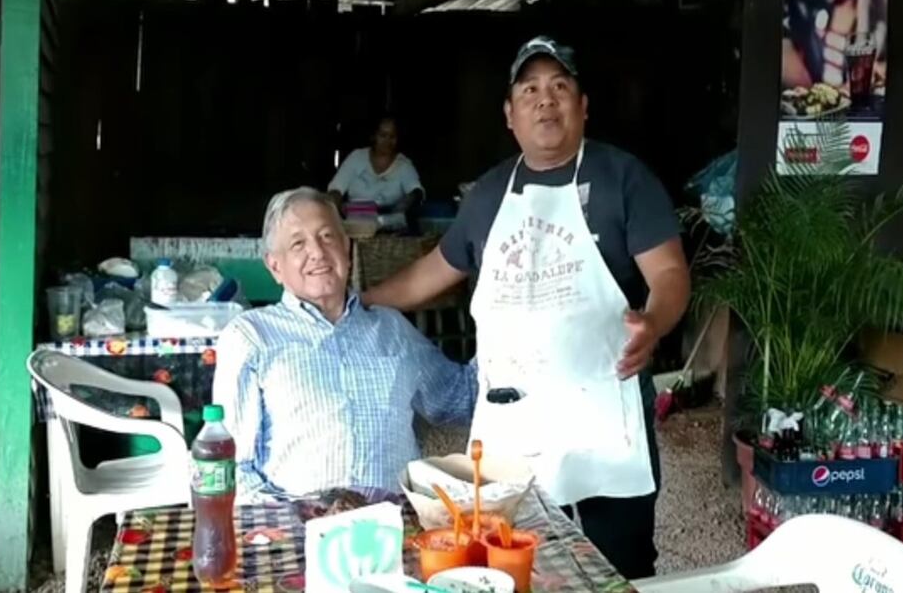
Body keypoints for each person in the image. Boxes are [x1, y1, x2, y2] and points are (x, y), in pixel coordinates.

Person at [364, 36, 691, 578]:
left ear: (583, 107)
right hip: (514, 423)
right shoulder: (489, 195)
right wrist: (365, 300)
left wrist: (654, 320)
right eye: (531, 89)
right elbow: (433, 273)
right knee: (514, 565)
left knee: (622, 565)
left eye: (561, 87)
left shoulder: (623, 178)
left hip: (603, 417)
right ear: (510, 115)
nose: (547, 99)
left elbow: (671, 273)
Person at [212, 187, 476, 503]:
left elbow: (460, 399)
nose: (318, 253)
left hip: (393, 526)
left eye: (327, 237)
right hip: (300, 531)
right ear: (275, 267)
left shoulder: (391, 329)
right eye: (298, 243)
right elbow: (232, 468)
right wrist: (295, 522)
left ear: (347, 249)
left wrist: (512, 328)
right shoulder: (251, 337)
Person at [328, 115, 424, 213]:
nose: (387, 141)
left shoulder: (404, 165)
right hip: (355, 220)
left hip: (390, 223)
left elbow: (416, 191)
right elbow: (336, 188)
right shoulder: (356, 158)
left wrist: (405, 204)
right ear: (373, 136)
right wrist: (336, 206)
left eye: (392, 136)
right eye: (383, 135)